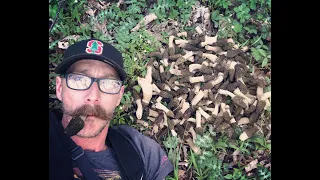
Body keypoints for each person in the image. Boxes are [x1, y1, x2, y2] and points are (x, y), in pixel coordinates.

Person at [49, 38, 174, 180]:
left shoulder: (140, 150)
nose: (93, 96)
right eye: (79, 80)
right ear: (59, 88)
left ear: (119, 96)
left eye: (108, 84)